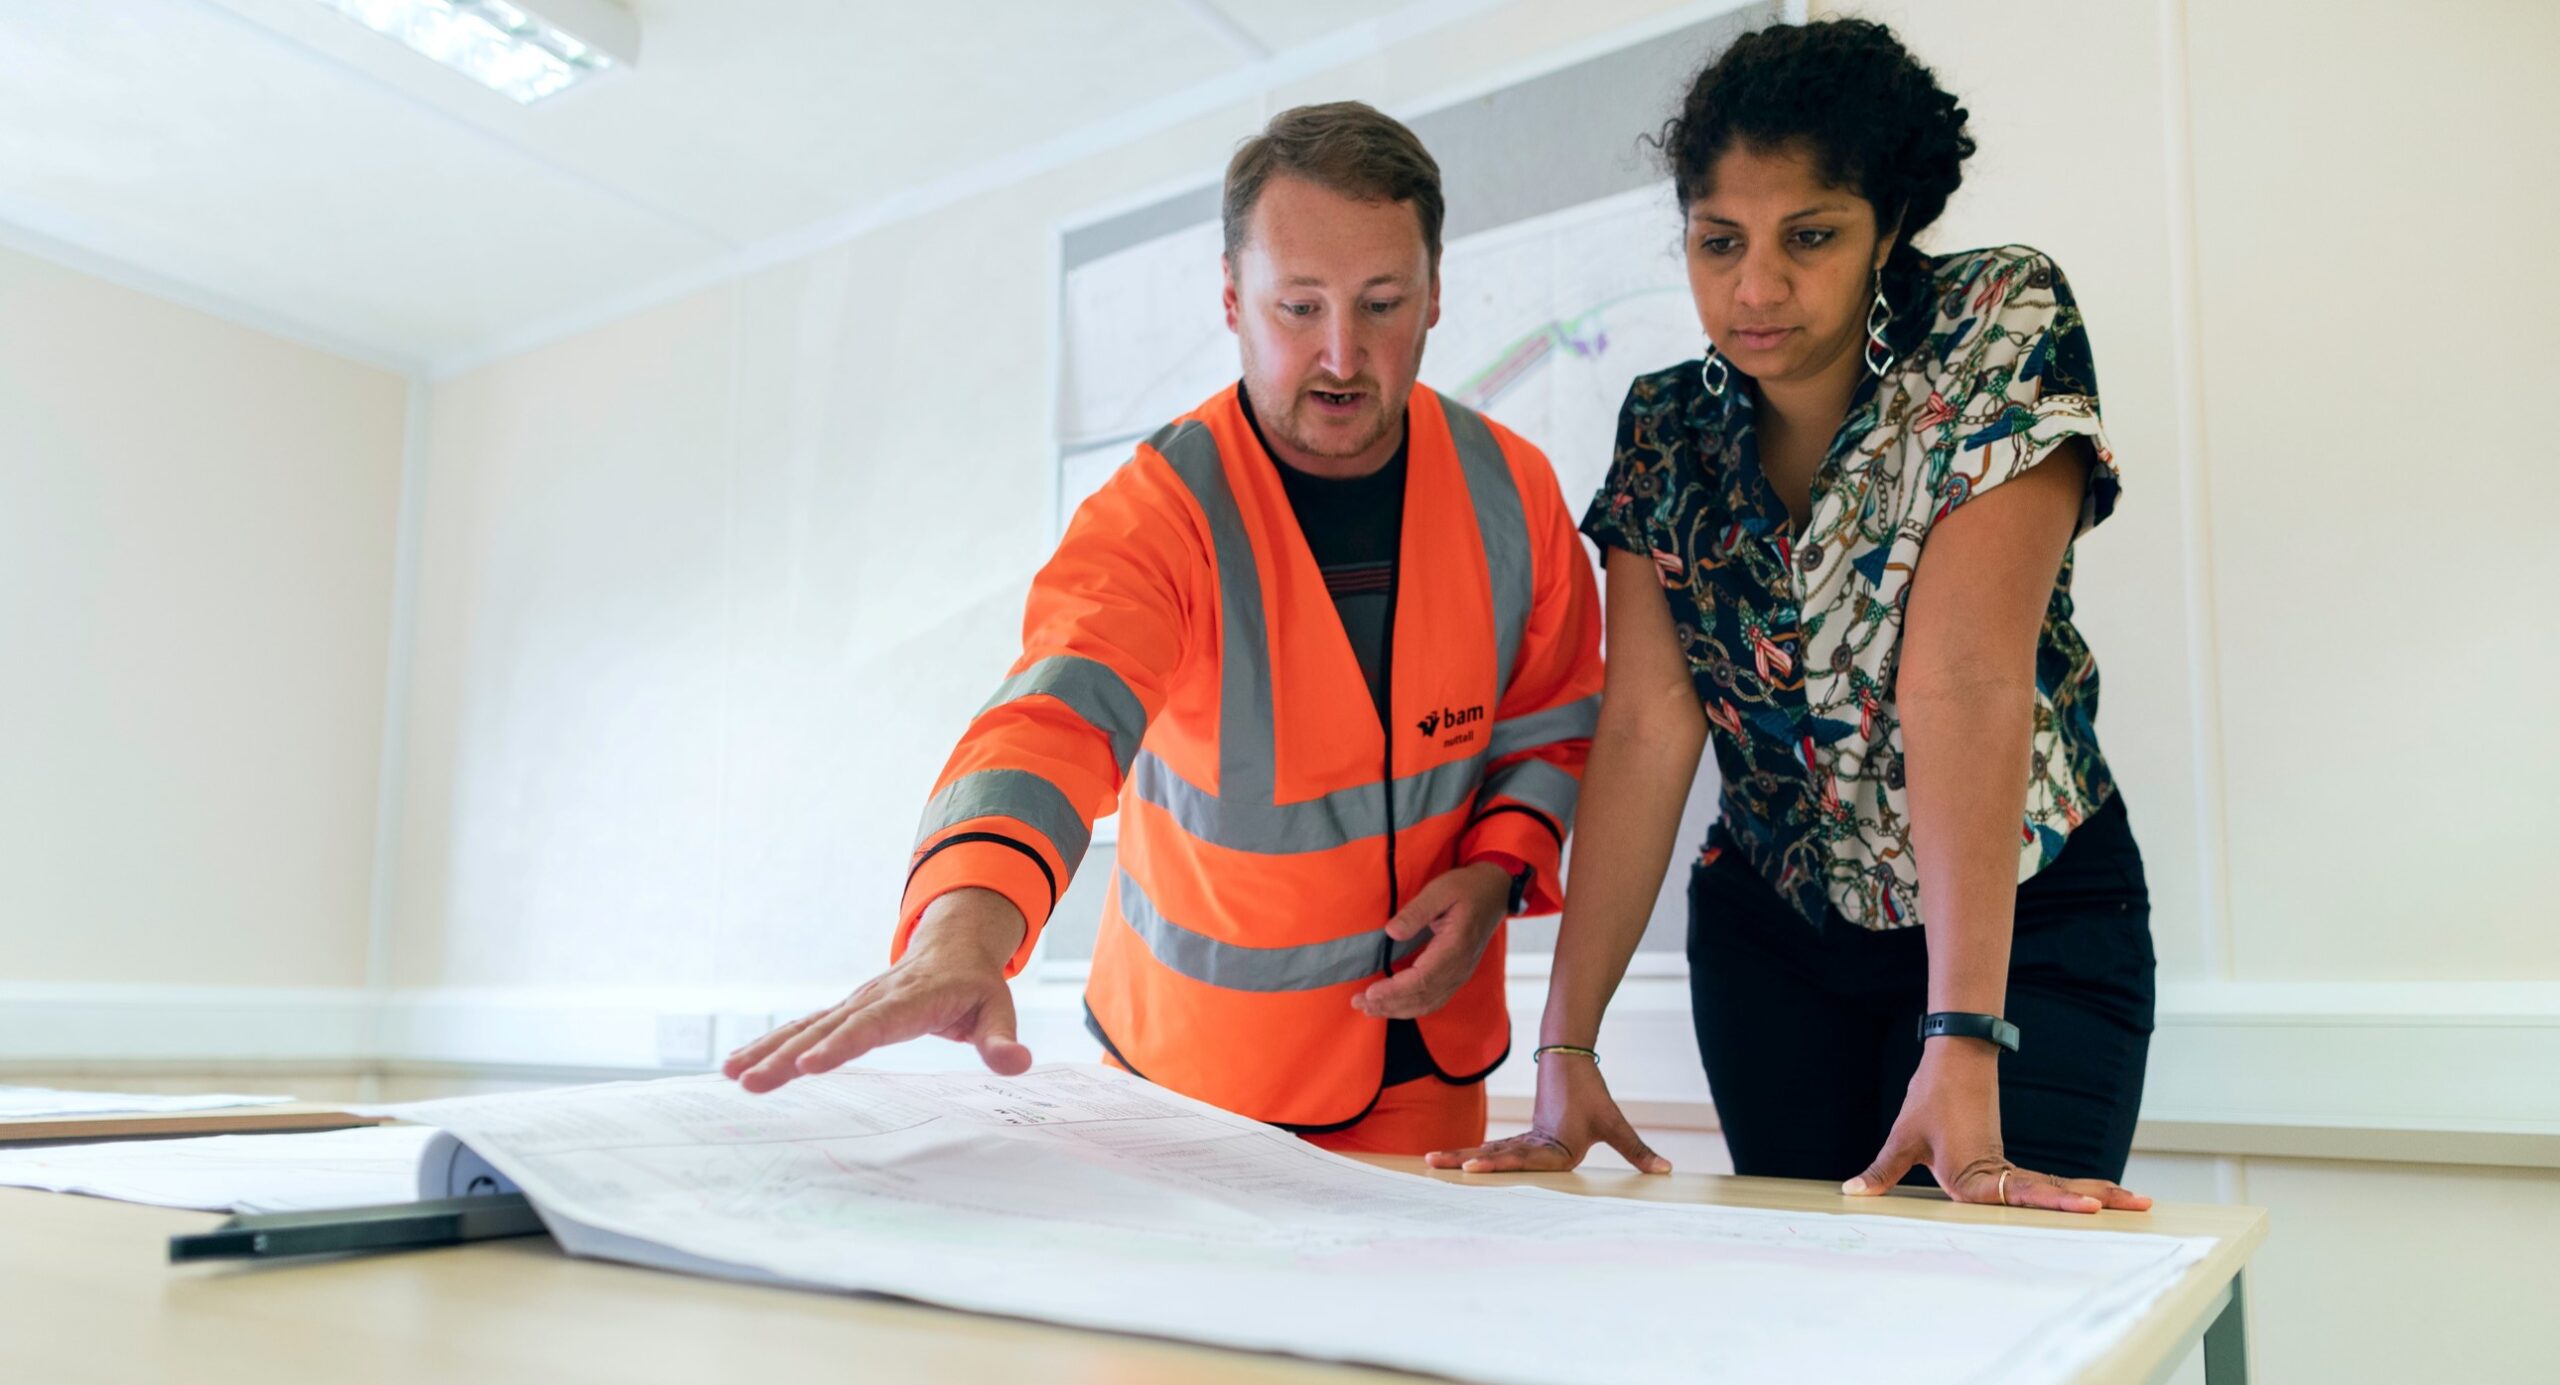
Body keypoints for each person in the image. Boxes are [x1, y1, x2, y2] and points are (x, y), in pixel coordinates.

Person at [722, 102, 1604, 1156]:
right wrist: (961, 932)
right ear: (1232, 301)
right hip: (1195, 1084)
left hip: (1428, 1064)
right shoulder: (1155, 512)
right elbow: (1052, 719)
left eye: (1381, 303)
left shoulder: (1515, 490)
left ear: (1435, 297)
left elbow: (1548, 725)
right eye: (1297, 307)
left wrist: (1498, 867)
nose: (1340, 353)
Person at [1429, 19, 2157, 1214]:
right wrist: (1565, 1050)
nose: (1755, 287)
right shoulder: (1664, 427)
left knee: (1981, 1304)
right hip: (1773, 947)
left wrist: (1962, 1032)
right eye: (1718, 242)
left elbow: (1961, 681)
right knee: (1809, 1313)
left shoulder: (1994, 323)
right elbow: (1647, 730)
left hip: (2022, 928)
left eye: (1808, 237)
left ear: (1888, 227)